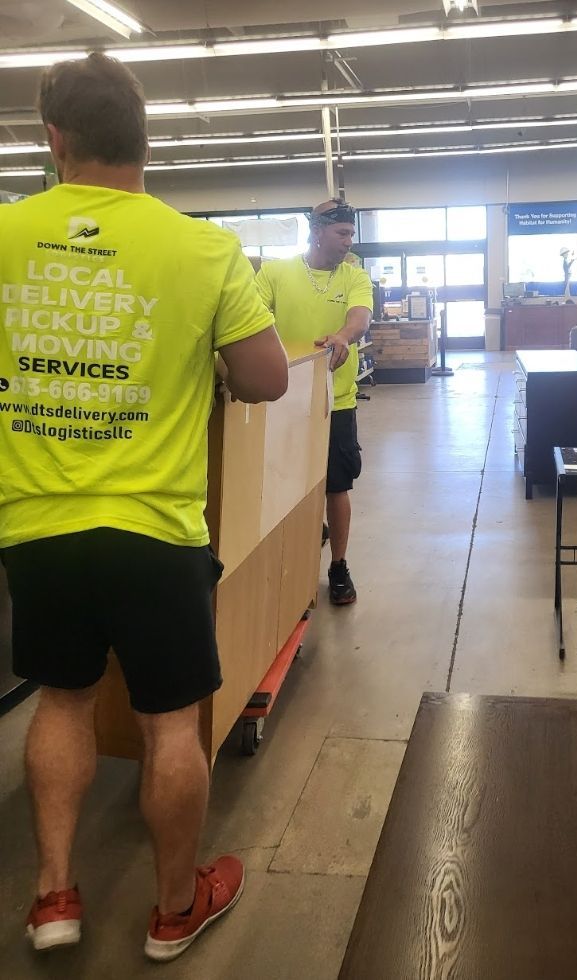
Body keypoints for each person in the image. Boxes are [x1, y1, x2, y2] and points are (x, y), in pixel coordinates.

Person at [0, 53, 288, 961]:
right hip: (157, 528)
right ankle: (172, 908)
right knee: (169, 722)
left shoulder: (5, 235)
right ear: (144, 140)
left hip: (37, 523)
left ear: (54, 139)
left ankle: (54, 896)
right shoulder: (202, 248)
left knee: (62, 702)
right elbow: (267, 377)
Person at [256, 200, 373, 605]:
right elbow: (253, 317)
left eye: (351, 234)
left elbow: (360, 317)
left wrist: (343, 335)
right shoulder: (275, 272)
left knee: (337, 487)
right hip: (284, 401)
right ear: (318, 231)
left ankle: (338, 566)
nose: (348, 241)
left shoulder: (354, 275)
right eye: (342, 233)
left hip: (335, 401)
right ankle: (289, 563)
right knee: (283, 487)